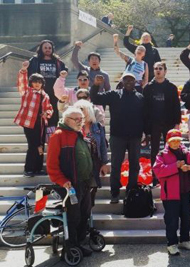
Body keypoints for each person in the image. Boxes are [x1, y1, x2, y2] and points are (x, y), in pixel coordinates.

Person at [91, 73, 145, 204]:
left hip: (135, 137)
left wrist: (146, 134)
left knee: (135, 165)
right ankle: (114, 192)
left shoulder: (140, 97)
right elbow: (95, 98)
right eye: (126, 79)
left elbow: (145, 116)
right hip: (117, 136)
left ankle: (131, 191)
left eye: (131, 80)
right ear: (122, 81)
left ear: (135, 82)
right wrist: (96, 85)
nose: (129, 82)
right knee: (115, 165)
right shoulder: (114, 94)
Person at [47, 107, 94, 257]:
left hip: (84, 182)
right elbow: (51, 165)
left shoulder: (78, 133)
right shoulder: (58, 136)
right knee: (73, 217)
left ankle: (79, 244)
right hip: (70, 184)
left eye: (82, 119)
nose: (81, 122)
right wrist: (62, 180)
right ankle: (71, 247)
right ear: (67, 120)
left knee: (84, 213)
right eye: (77, 119)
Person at [153, 129, 190, 256]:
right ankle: (171, 244)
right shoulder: (162, 154)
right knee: (171, 219)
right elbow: (158, 171)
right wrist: (176, 166)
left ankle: (185, 240)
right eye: (173, 141)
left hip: (185, 191)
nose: (175, 143)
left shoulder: (185, 152)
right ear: (168, 141)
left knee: (186, 217)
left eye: (178, 140)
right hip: (170, 194)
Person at [143, 62, 182, 184]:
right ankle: (155, 176)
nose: (158, 71)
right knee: (154, 150)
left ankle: (170, 174)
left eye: (160, 68)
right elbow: (144, 108)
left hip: (169, 123)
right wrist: (145, 127)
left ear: (165, 71)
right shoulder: (148, 87)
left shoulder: (171, 87)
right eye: (155, 69)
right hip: (153, 123)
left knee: (170, 149)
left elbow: (177, 106)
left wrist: (177, 122)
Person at [15, 62, 53, 177]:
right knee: (33, 145)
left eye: (39, 82)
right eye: (35, 81)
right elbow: (22, 83)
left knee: (40, 145)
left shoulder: (45, 95)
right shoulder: (27, 91)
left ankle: (38, 168)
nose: (37, 84)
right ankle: (28, 169)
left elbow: (49, 108)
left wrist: (47, 113)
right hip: (28, 123)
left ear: (42, 84)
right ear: (31, 83)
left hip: (40, 123)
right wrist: (23, 70)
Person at [27, 40, 68, 129]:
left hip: (54, 92)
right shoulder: (35, 60)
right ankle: (40, 131)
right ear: (41, 49)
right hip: (40, 91)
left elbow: (64, 70)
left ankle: (52, 132)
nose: (47, 49)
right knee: (40, 111)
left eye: (49, 48)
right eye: (45, 48)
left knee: (54, 111)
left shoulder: (57, 61)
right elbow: (29, 73)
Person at [73, 100, 109, 199]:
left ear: (89, 111)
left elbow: (103, 146)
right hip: (79, 164)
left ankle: (89, 211)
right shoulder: (73, 128)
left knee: (92, 191)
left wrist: (104, 163)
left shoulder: (98, 127)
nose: (79, 112)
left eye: (81, 109)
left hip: (94, 163)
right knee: (80, 192)